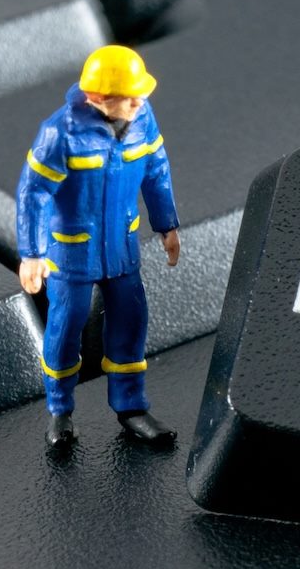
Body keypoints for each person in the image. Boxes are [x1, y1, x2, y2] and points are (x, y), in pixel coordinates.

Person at [17, 45, 180, 447]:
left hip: (121, 250)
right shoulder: (60, 132)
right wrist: (32, 253)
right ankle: (60, 412)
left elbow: (156, 171)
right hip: (73, 254)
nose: (139, 103)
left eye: (140, 95)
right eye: (129, 97)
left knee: (131, 322)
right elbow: (33, 193)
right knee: (65, 327)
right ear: (97, 98)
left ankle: (131, 407)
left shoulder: (143, 119)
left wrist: (167, 226)